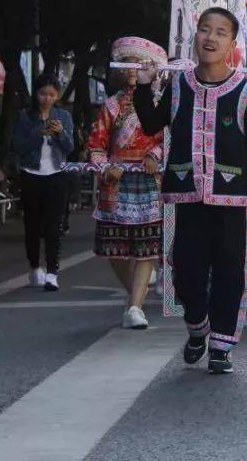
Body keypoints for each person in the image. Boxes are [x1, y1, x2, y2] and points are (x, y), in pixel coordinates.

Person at [134, 6, 247, 375]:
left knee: (230, 272)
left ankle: (222, 345)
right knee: (186, 271)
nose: (210, 38)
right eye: (205, 30)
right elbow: (149, 124)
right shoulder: (177, 85)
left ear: (232, 43)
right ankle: (198, 327)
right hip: (186, 194)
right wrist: (144, 85)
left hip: (231, 197)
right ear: (196, 36)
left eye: (220, 32)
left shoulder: (246, 91)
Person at [87, 37, 167, 330]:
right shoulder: (109, 106)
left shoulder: (158, 103)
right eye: (128, 66)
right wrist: (106, 167)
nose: (133, 72)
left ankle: (135, 306)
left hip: (148, 182)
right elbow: (96, 145)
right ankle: (134, 292)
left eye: (139, 66)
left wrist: (155, 155)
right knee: (115, 248)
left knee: (147, 248)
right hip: (117, 184)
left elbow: (165, 138)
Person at [12, 73, 73, 292]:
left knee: (54, 225)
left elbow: (69, 147)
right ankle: (35, 266)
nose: (46, 99)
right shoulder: (24, 116)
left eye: (51, 94)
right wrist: (39, 133)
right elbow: (18, 146)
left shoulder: (63, 116)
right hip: (31, 173)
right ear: (36, 94)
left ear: (57, 96)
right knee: (32, 224)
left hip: (56, 173)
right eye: (42, 94)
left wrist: (59, 133)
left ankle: (53, 272)